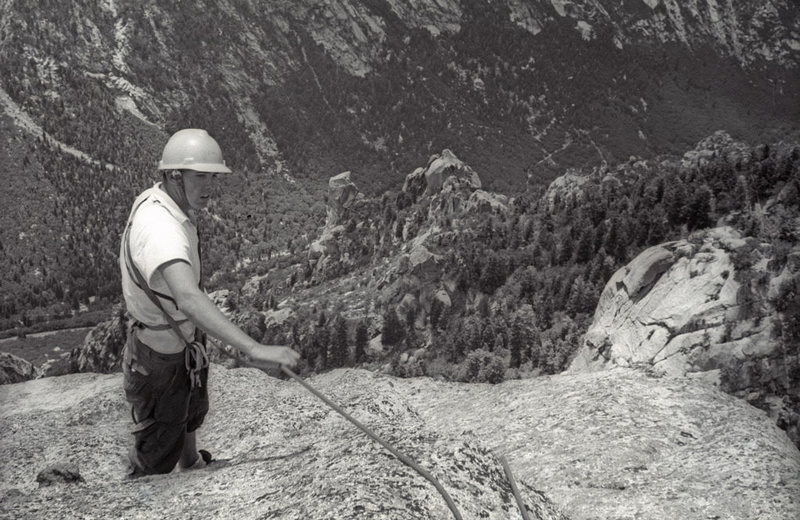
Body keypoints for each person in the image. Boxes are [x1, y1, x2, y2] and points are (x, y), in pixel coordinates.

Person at [119, 128, 300, 477]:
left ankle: (191, 462)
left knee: (190, 404)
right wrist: (254, 348)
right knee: (156, 456)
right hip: (160, 355)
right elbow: (187, 297)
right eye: (199, 177)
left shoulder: (165, 202)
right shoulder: (160, 227)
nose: (209, 186)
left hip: (179, 342)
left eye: (211, 177)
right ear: (174, 175)